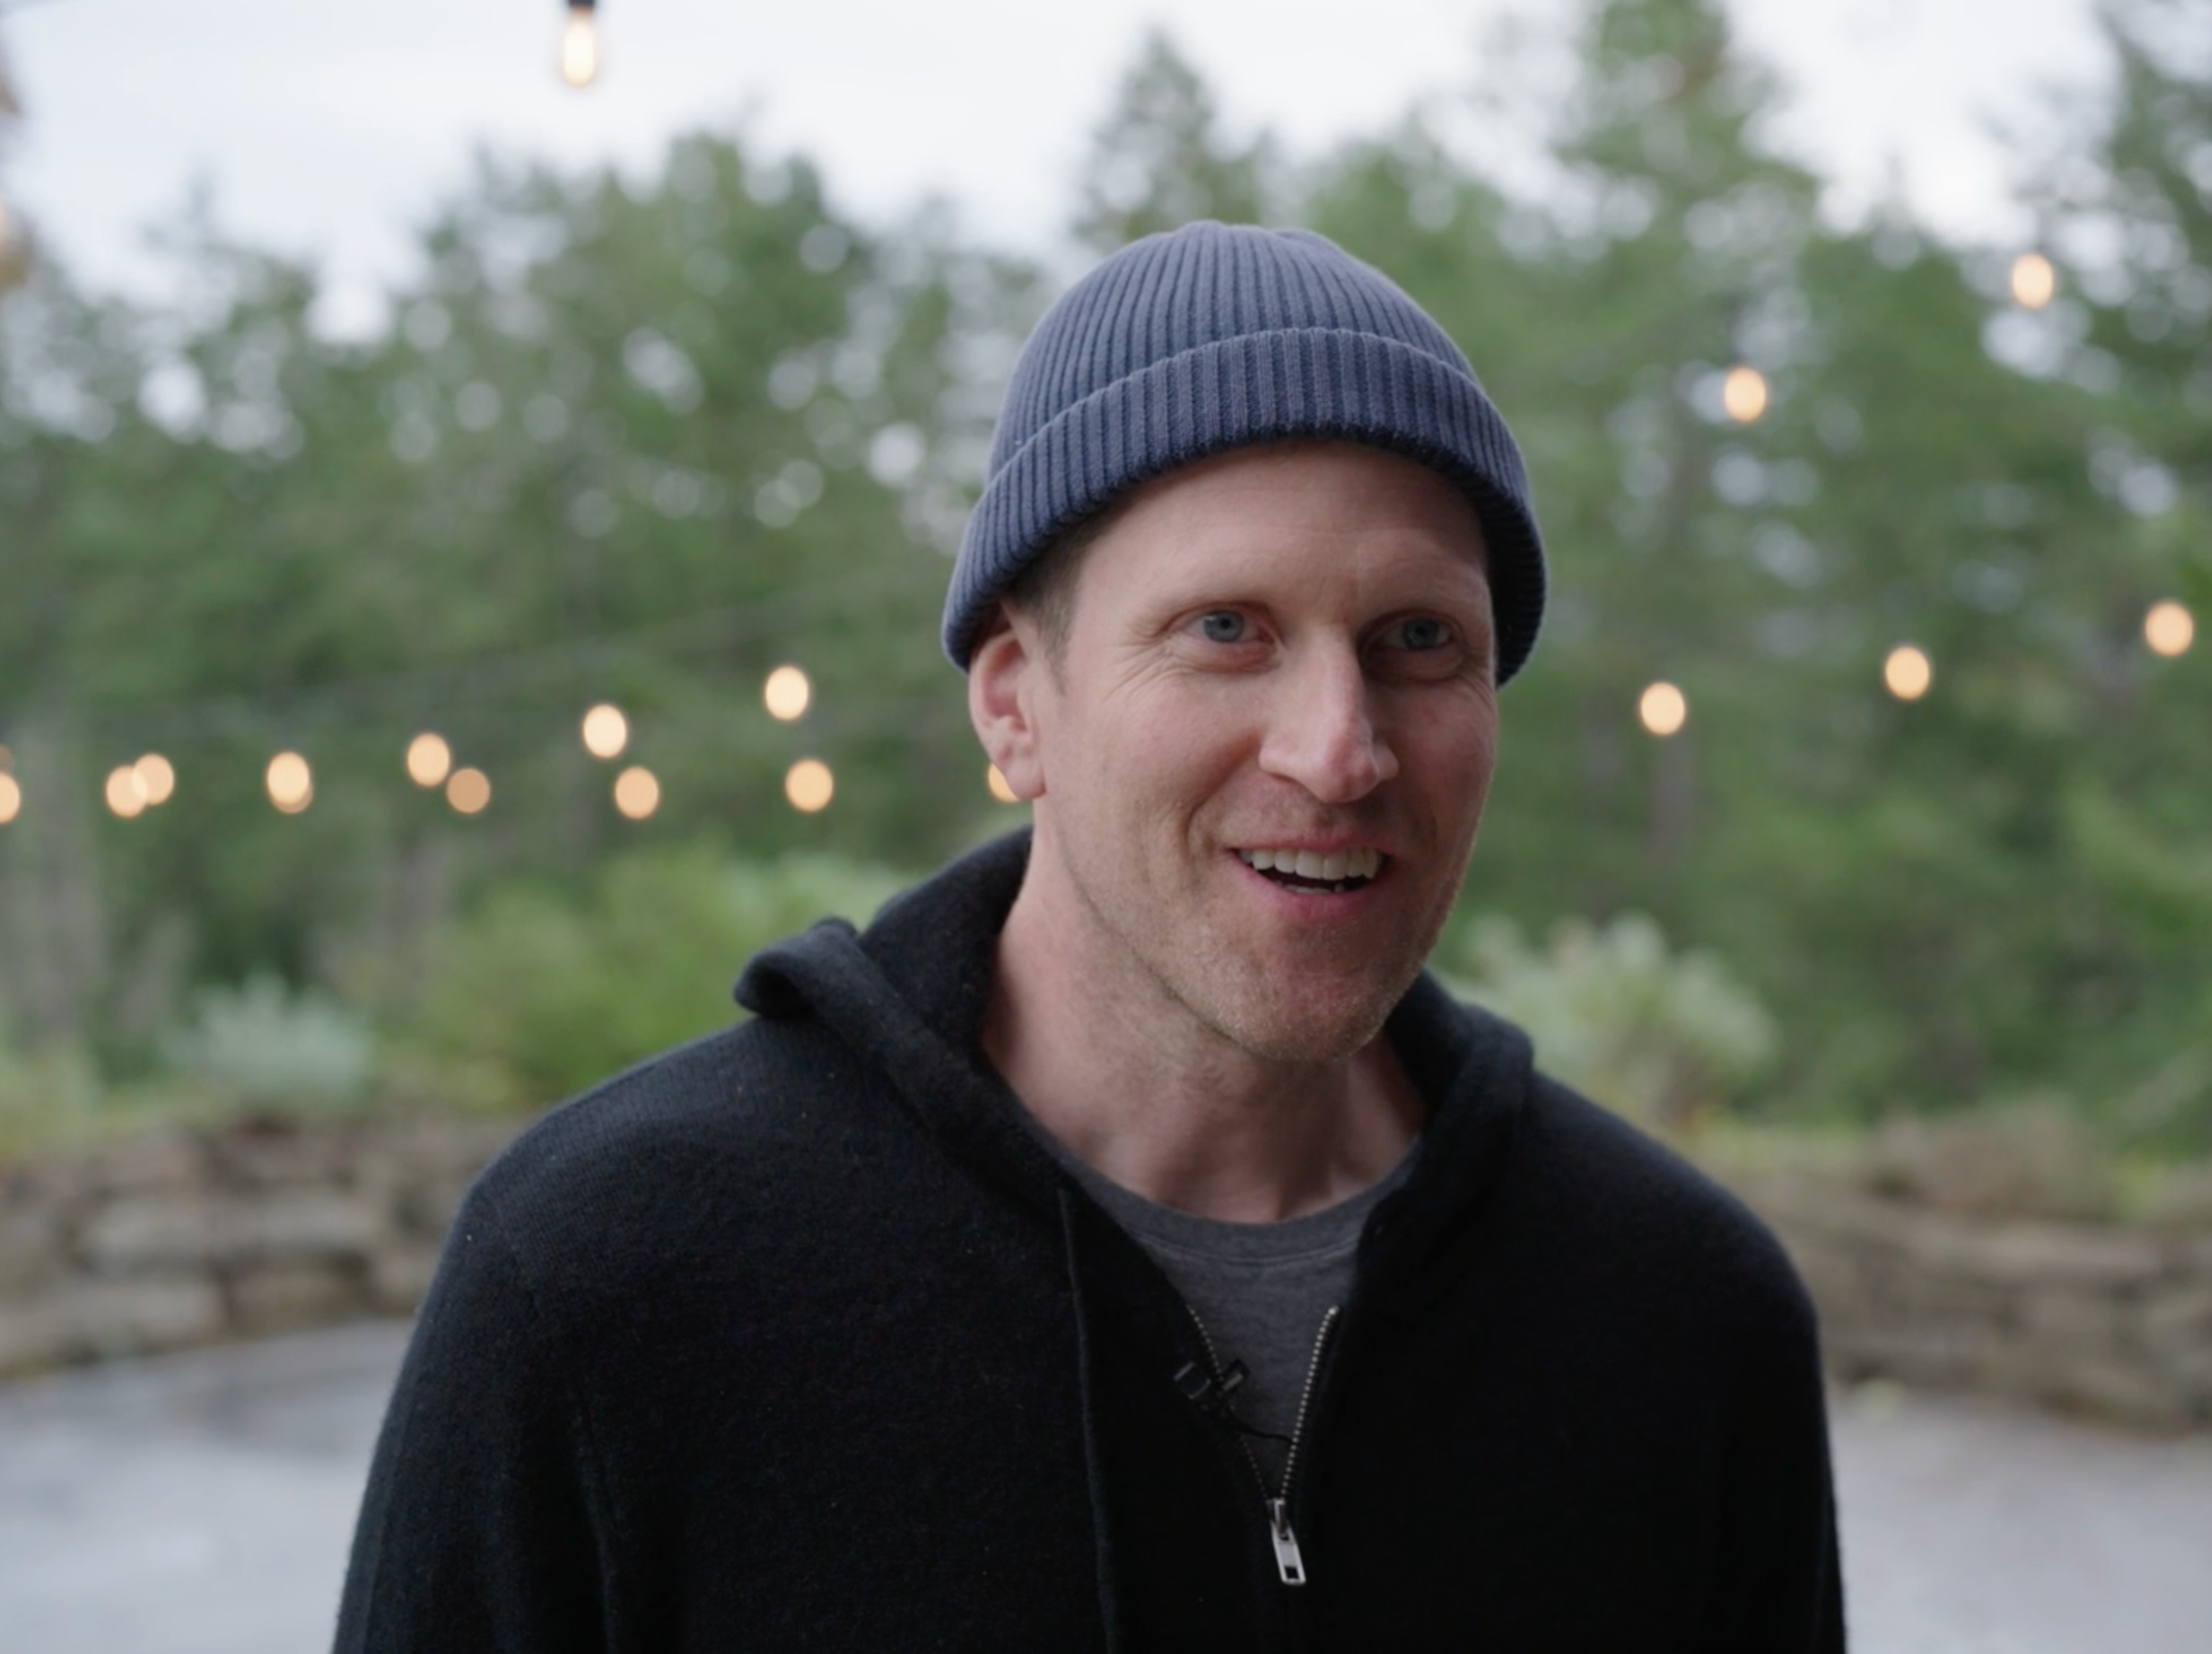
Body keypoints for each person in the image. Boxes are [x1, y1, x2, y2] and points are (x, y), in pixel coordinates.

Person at [335, 220, 1844, 1651]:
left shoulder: (1682, 1314)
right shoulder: (607, 1280)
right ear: (1015, 702)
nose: (1341, 749)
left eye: (1419, 640)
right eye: (1225, 629)